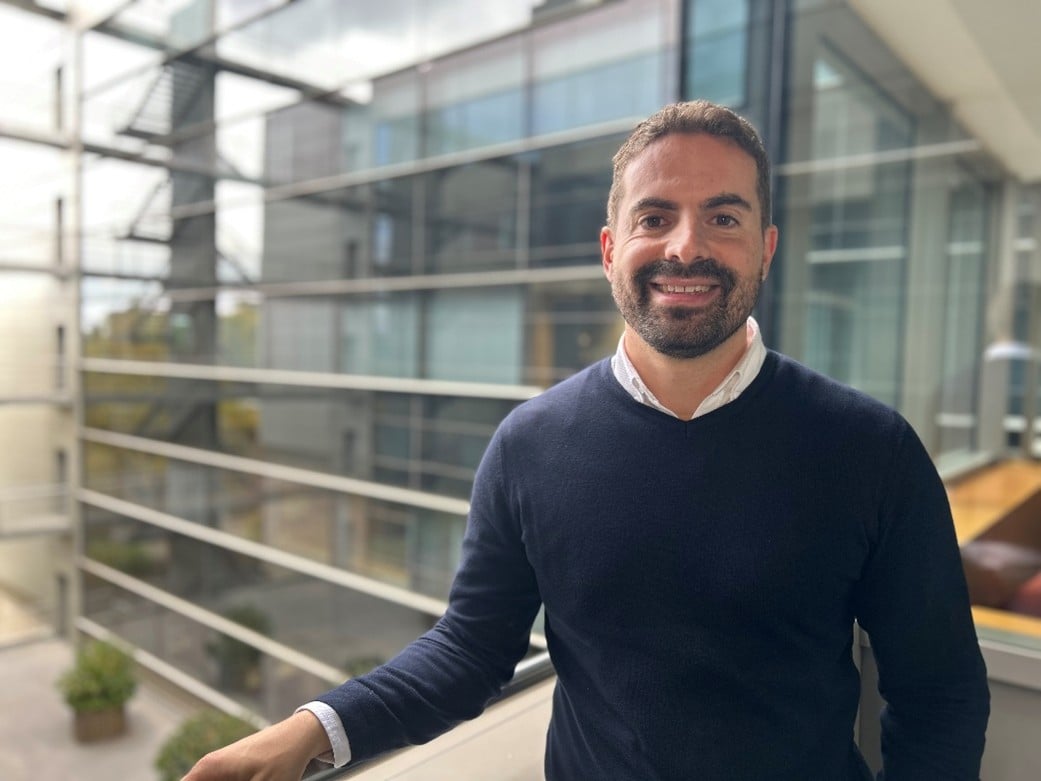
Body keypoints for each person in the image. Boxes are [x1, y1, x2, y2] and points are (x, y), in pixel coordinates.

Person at [182, 100, 990, 781]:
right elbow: (469, 649)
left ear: (765, 248)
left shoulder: (870, 449)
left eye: (722, 217)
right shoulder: (527, 446)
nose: (685, 246)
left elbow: (939, 691)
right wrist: (309, 730)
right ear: (609, 251)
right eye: (654, 217)